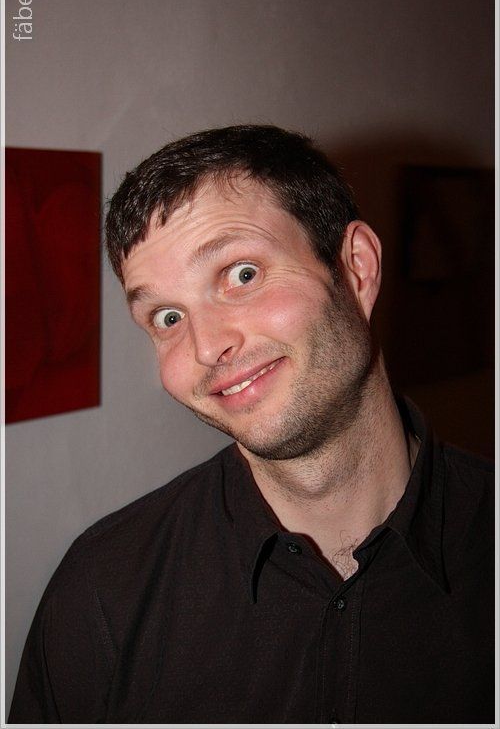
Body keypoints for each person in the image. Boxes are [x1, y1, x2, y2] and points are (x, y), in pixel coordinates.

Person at [9, 125, 494, 724]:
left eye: (241, 275)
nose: (206, 346)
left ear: (356, 269)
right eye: (167, 316)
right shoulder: (101, 591)